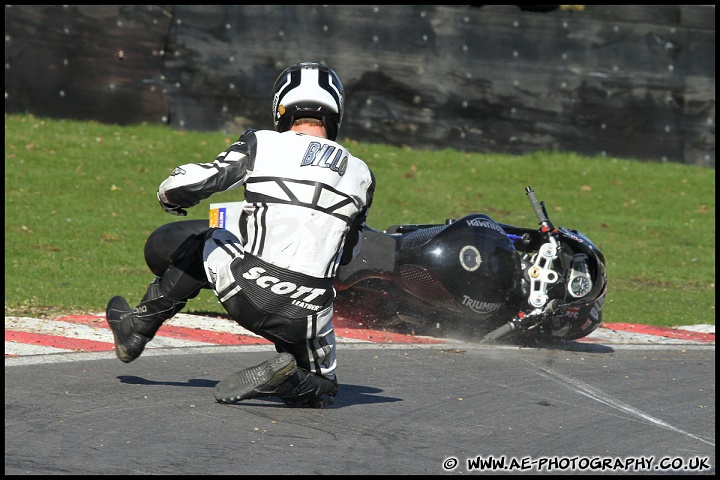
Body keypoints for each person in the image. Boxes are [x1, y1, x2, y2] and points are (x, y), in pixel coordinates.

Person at [106, 62, 375, 408]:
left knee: (210, 239)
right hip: (308, 313)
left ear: (281, 106)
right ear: (336, 111)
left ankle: (137, 326)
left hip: (248, 293)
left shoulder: (263, 143)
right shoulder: (363, 174)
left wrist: (168, 195)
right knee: (324, 384)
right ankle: (292, 378)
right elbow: (347, 252)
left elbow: (199, 182)